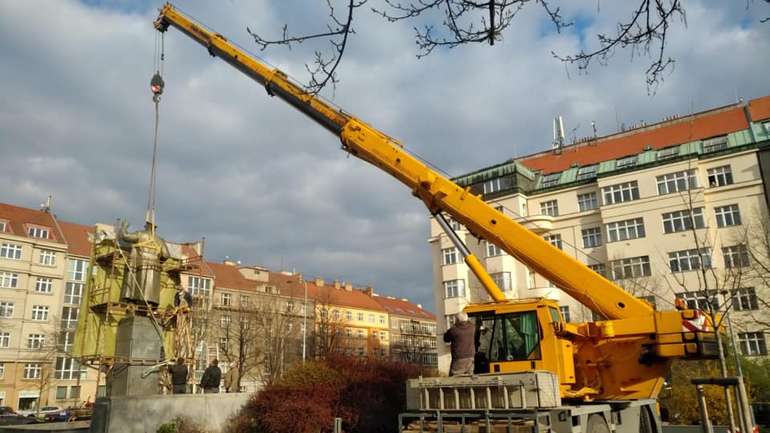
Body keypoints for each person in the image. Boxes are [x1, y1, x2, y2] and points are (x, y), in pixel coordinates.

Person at [443, 312, 475, 376]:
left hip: (459, 358)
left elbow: (446, 339)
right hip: (470, 357)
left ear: (457, 320)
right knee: (468, 378)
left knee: (454, 380)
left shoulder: (453, 330)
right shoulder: (472, 328)